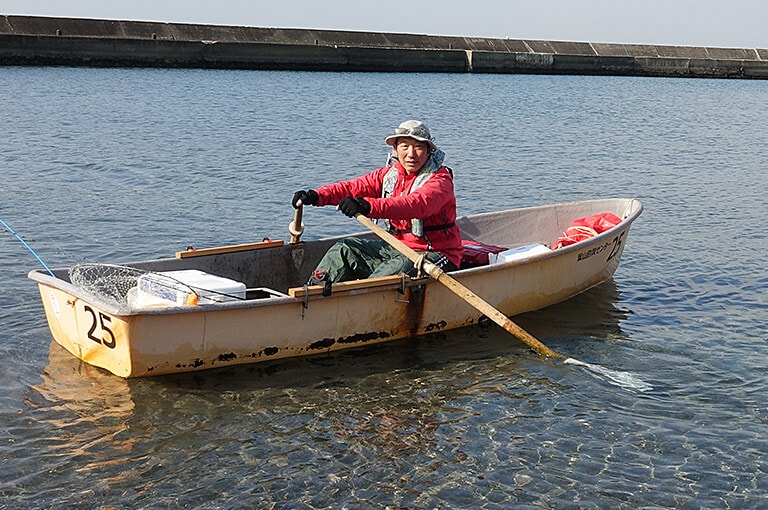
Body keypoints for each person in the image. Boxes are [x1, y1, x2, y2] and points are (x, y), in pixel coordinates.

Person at [292, 120, 462, 288]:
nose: (411, 154)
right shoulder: (390, 175)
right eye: (405, 146)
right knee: (345, 249)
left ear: (428, 151)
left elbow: (415, 204)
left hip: (435, 253)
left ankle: (361, 302)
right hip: (396, 248)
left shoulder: (440, 180)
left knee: (392, 272)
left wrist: (367, 206)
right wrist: (316, 195)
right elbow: (353, 187)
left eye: (418, 147)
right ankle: (312, 297)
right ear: (395, 149)